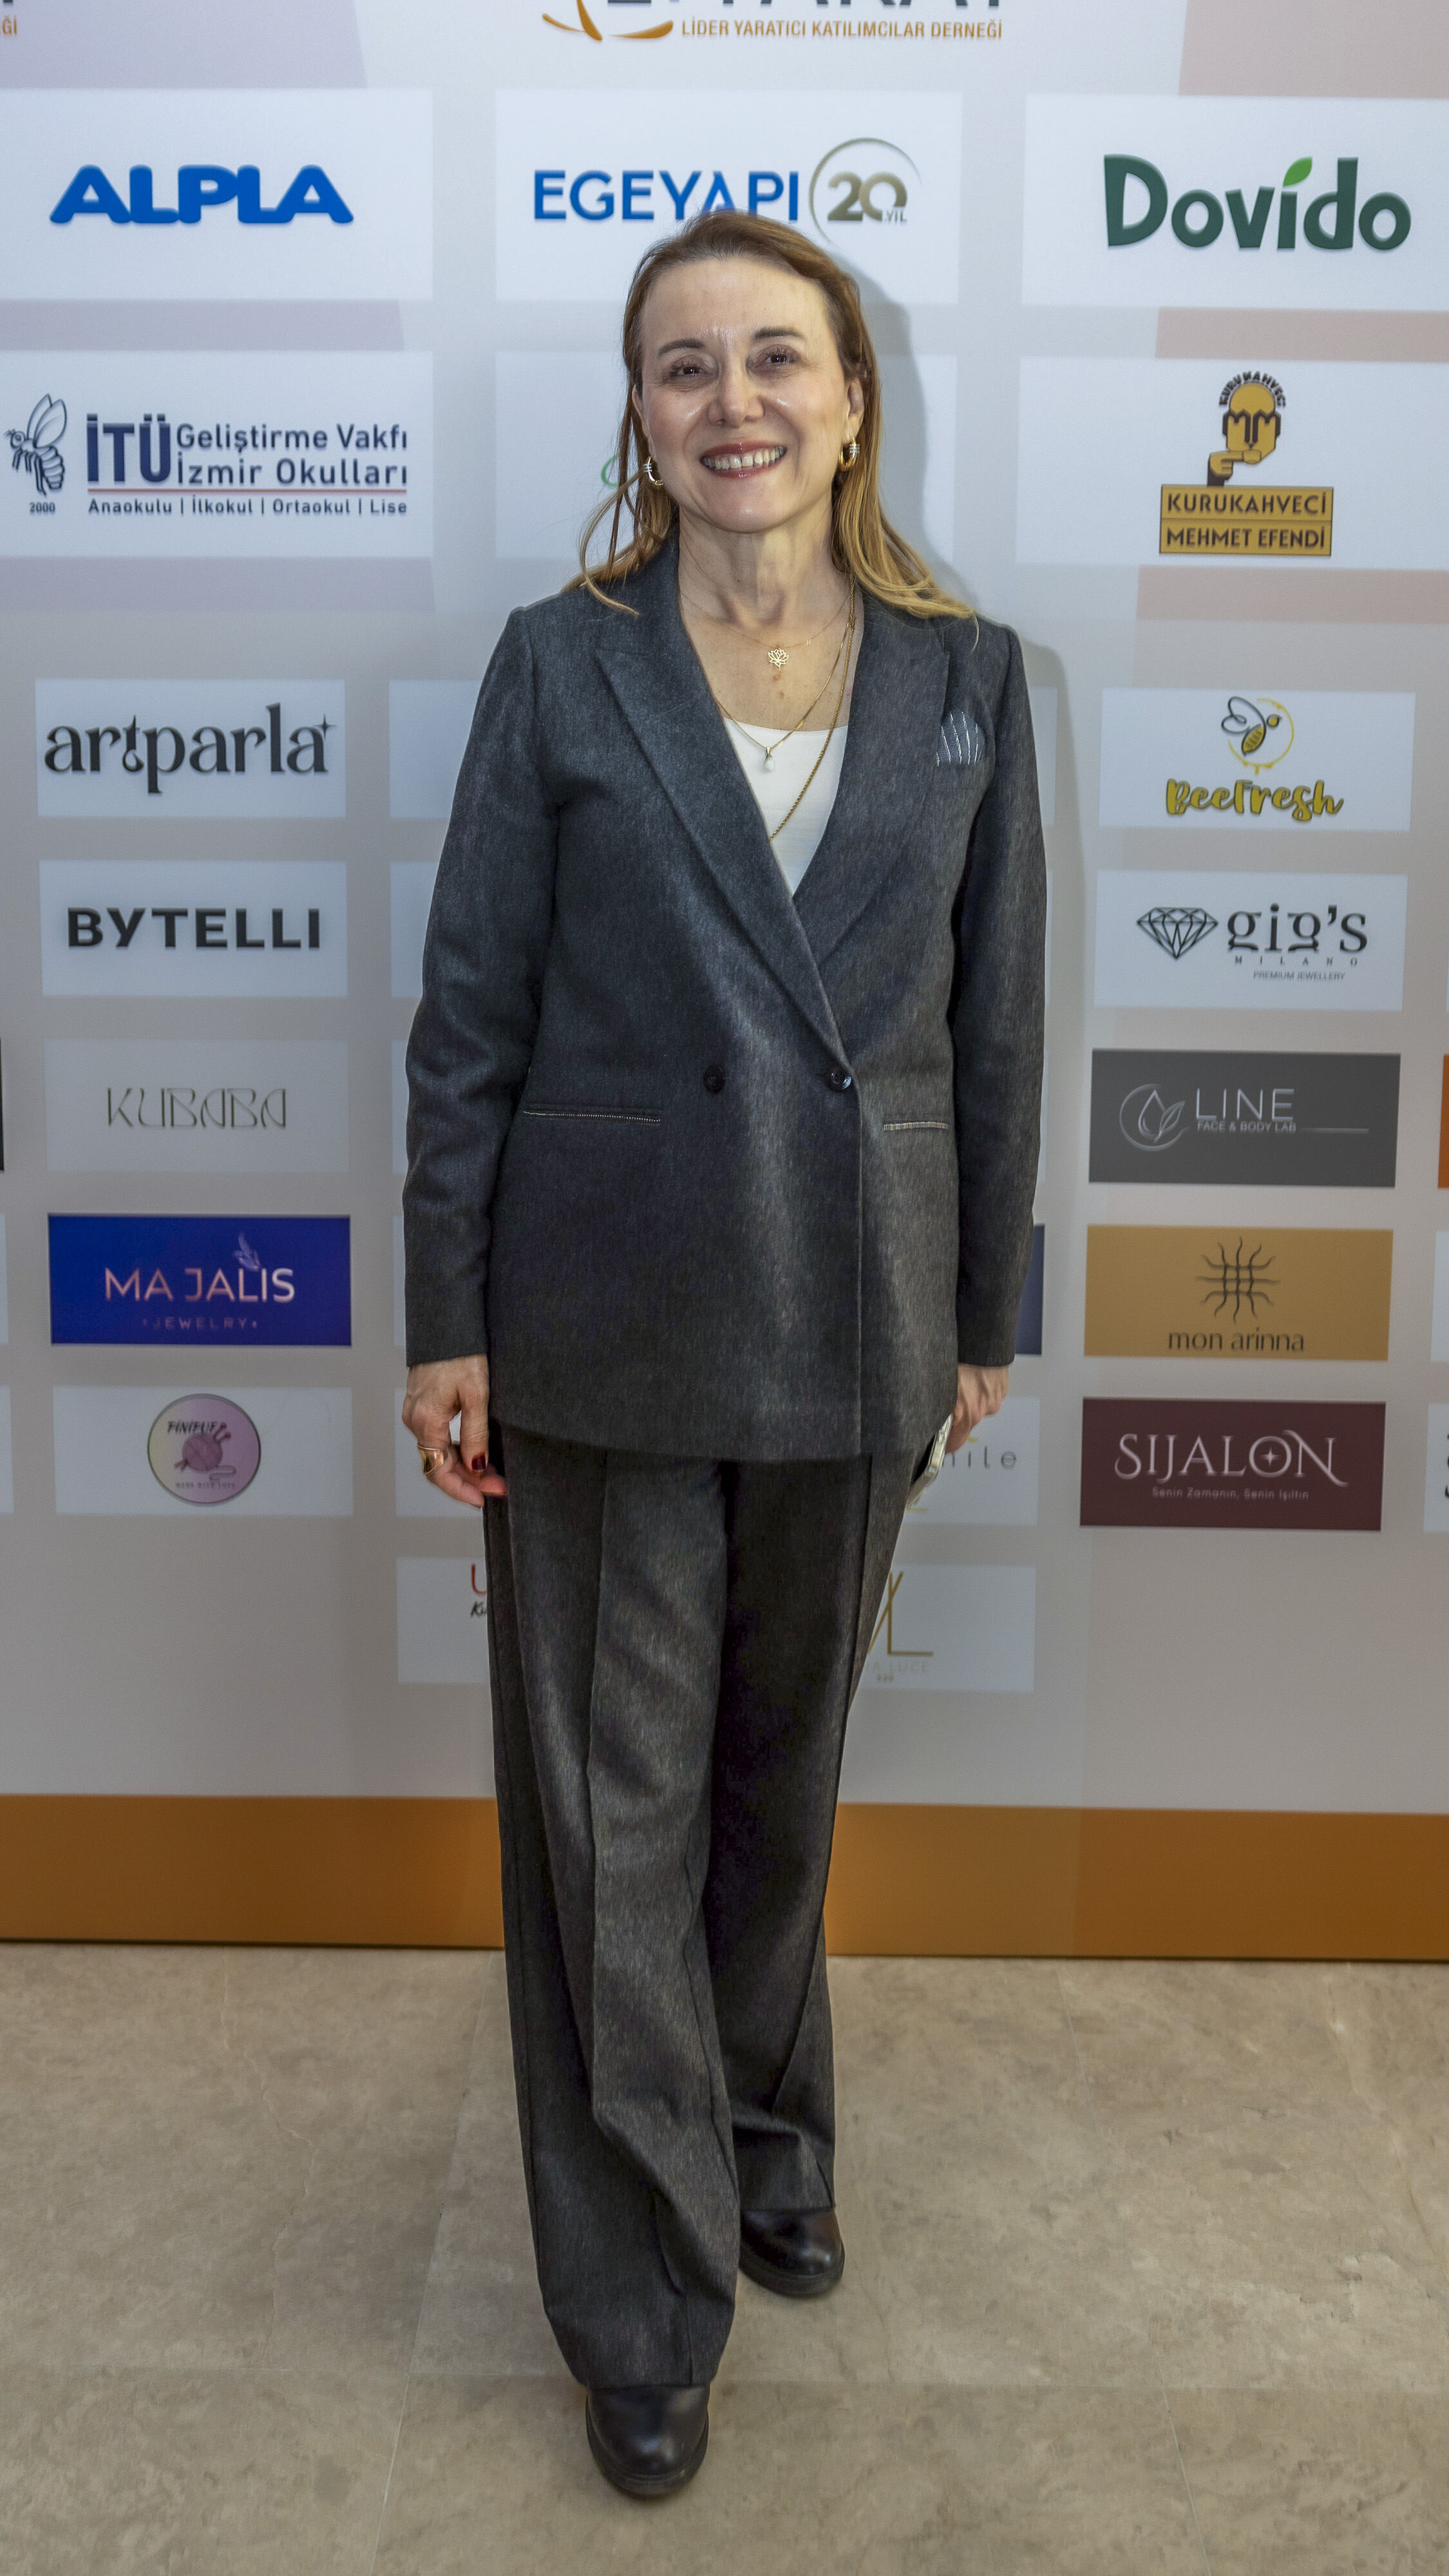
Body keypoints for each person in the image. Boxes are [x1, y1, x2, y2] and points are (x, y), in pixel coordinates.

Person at [401, 208, 1045, 2500]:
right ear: (641, 417)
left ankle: (770, 2128)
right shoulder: (555, 665)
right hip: (596, 1319)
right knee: (614, 1822)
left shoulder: (970, 679)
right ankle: (641, 2297)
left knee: (781, 1785)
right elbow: (469, 1014)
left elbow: (993, 1022)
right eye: (683, 366)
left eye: (775, 358)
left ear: (851, 399)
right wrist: (447, 1316)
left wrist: (982, 1313)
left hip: (857, 1313)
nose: (732, 401)